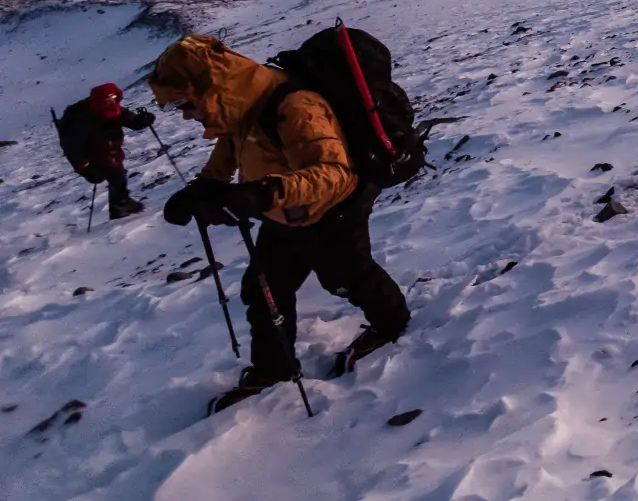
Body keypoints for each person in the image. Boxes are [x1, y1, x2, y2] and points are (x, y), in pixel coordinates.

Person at [152, 34, 411, 413]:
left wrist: (261, 194)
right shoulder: (242, 107)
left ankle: (392, 324)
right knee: (264, 289)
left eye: (184, 103)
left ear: (210, 89)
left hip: (333, 207)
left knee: (347, 276)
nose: (186, 115)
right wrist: (204, 188)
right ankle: (274, 369)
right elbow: (232, 147)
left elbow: (335, 173)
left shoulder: (296, 106)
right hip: (284, 211)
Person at [56, 84, 155, 219]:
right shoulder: (79, 117)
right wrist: (81, 164)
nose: (112, 102)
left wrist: (144, 120)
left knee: (117, 173)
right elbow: (71, 145)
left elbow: (133, 122)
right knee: (115, 173)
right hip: (92, 155)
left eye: (114, 98)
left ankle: (118, 207)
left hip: (111, 151)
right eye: (109, 99)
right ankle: (120, 203)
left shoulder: (114, 109)